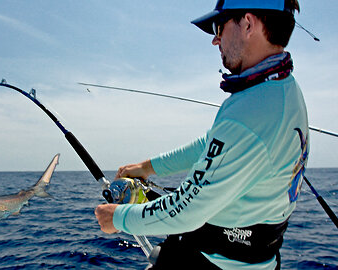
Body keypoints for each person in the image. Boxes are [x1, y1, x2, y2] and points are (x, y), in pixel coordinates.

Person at [95, 0, 309, 269]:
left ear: (247, 24)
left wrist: (118, 219)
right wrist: (147, 167)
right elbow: (212, 143)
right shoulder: (283, 89)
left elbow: (187, 211)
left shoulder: (251, 112)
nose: (215, 41)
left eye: (219, 28)